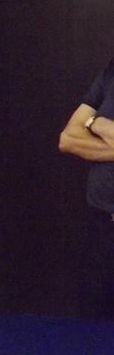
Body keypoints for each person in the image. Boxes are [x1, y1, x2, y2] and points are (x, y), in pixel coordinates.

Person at [59, 60, 114, 319]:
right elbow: (68, 139)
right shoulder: (111, 71)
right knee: (93, 326)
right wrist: (97, 122)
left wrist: (94, 123)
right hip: (103, 225)